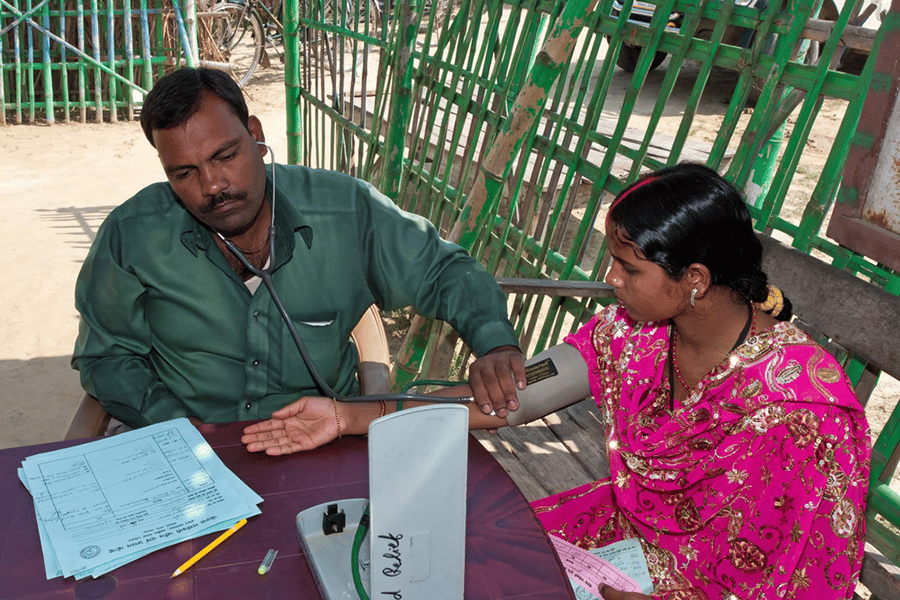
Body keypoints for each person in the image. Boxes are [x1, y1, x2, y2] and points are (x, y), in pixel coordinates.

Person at [241, 163, 871, 599]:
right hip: (626, 539)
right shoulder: (633, 332)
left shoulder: (802, 407)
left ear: (696, 279)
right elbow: (515, 394)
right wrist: (353, 416)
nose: (610, 280)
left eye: (626, 267)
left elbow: (803, 573)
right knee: (447, 559)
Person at [72, 66, 524, 429]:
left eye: (225, 155)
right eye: (184, 173)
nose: (212, 186)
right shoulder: (133, 235)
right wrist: (175, 424)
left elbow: (445, 271)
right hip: (187, 447)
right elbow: (106, 356)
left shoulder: (344, 211)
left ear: (254, 133)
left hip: (318, 442)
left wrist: (495, 344)